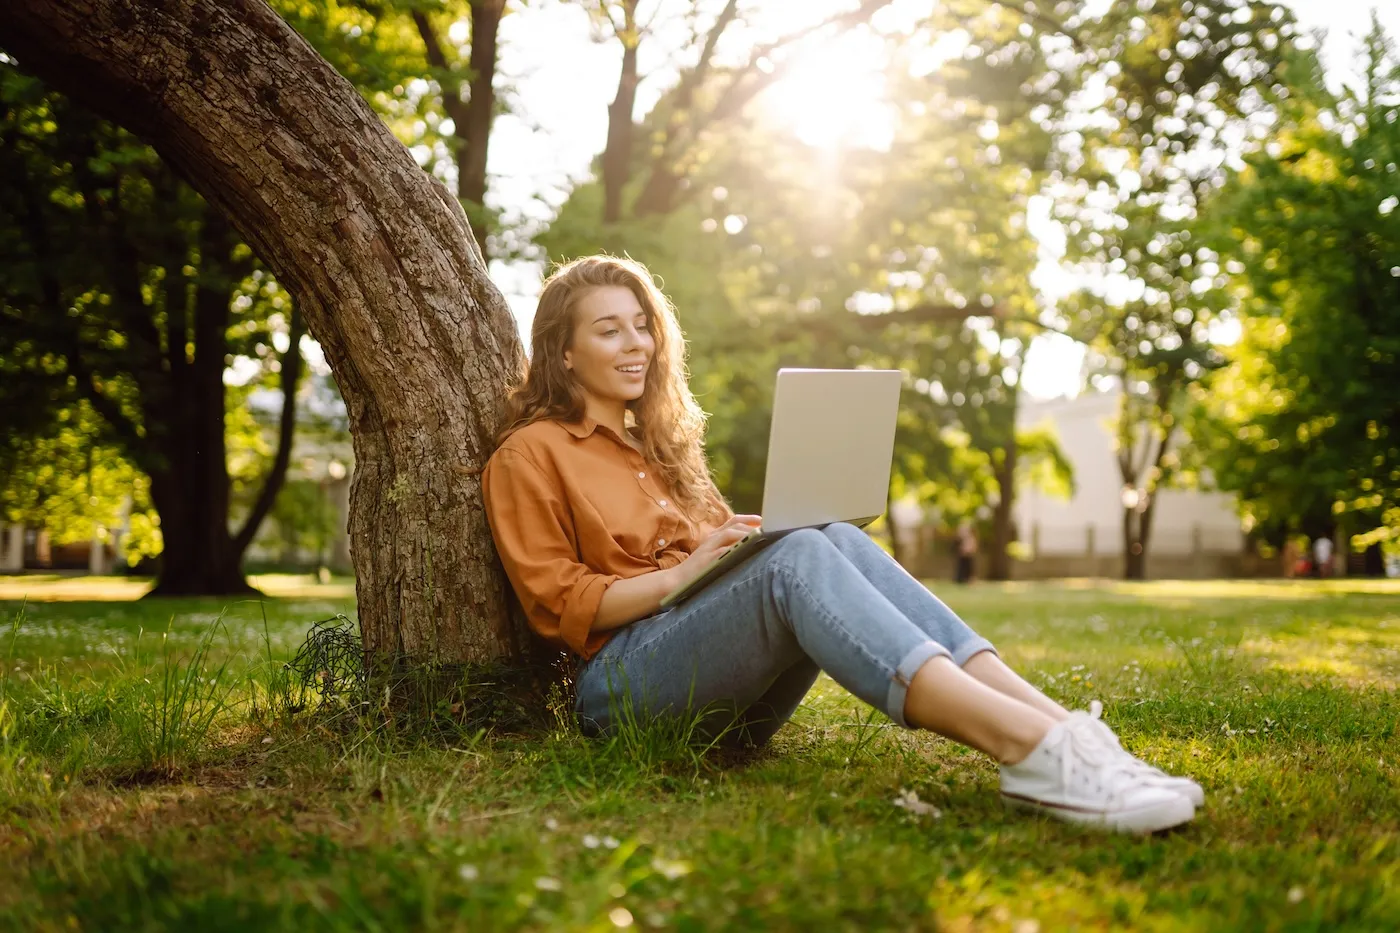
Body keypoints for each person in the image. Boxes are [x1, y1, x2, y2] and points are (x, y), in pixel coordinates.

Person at [481, 256, 1203, 834]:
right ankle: (1030, 752)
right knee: (797, 555)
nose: (636, 343)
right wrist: (683, 578)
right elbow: (556, 603)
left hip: (726, 696)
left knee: (817, 533)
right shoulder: (531, 453)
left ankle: (1068, 733)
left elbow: (724, 577)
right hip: (623, 691)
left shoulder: (662, 447)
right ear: (565, 353)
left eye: (642, 325)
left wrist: (745, 543)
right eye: (609, 330)